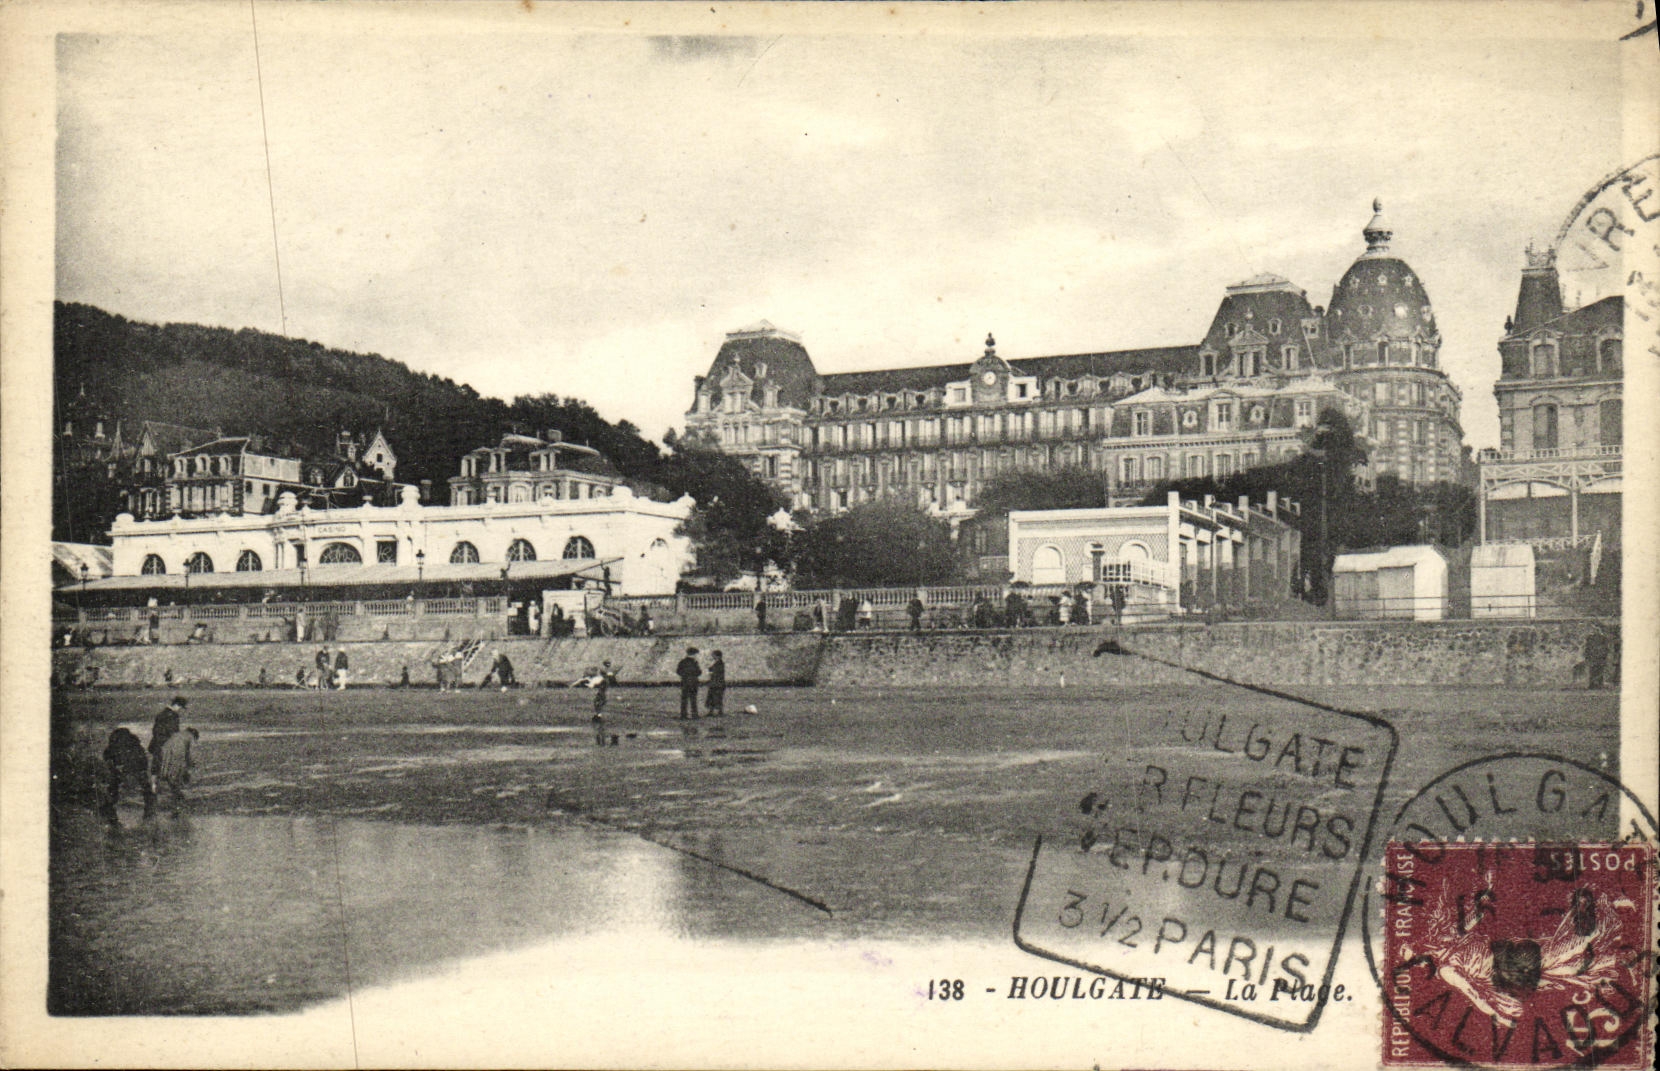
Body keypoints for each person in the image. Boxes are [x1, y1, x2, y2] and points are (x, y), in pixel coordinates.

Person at [101, 727, 155, 821]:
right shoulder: (135, 747)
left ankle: (109, 809)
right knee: (146, 789)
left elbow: (107, 758)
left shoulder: (119, 747)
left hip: (129, 770)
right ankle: (149, 812)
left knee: (113, 787)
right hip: (133, 771)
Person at [156, 727, 198, 813]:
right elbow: (192, 753)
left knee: (168, 775)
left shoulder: (177, 734)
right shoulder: (190, 737)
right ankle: (176, 802)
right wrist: (192, 765)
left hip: (166, 751)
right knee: (176, 777)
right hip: (178, 754)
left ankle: (173, 797)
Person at [148, 695, 186, 769]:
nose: (180, 710)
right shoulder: (173, 716)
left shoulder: (161, 713)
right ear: (177, 705)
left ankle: (154, 780)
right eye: (180, 707)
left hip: (157, 743)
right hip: (166, 744)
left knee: (156, 767)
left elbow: (155, 730)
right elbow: (173, 732)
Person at [676, 647, 702, 719]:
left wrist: (684, 675)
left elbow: (678, 671)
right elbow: (699, 672)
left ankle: (683, 715)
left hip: (685, 682)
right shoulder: (695, 662)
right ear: (693, 654)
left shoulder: (682, 661)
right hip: (693, 682)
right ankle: (694, 714)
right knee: (693, 699)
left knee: (684, 699)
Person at [705, 650, 727, 717]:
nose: (712, 656)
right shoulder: (717, 663)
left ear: (717, 656)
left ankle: (719, 711)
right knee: (713, 697)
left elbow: (716, 672)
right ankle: (713, 711)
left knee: (717, 697)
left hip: (717, 683)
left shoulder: (720, 663)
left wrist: (710, 671)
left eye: (713, 655)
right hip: (715, 683)